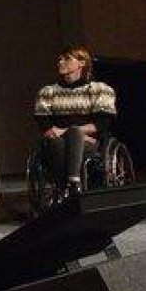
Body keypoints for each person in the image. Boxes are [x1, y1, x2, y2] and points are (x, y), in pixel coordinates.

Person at [33, 45, 117, 199]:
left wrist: (72, 132)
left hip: (89, 141)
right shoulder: (48, 92)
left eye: (67, 59)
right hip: (57, 141)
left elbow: (102, 122)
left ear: (82, 63)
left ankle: (71, 183)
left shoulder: (98, 89)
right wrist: (64, 134)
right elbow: (44, 123)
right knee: (57, 142)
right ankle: (66, 186)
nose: (60, 62)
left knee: (74, 132)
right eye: (59, 59)